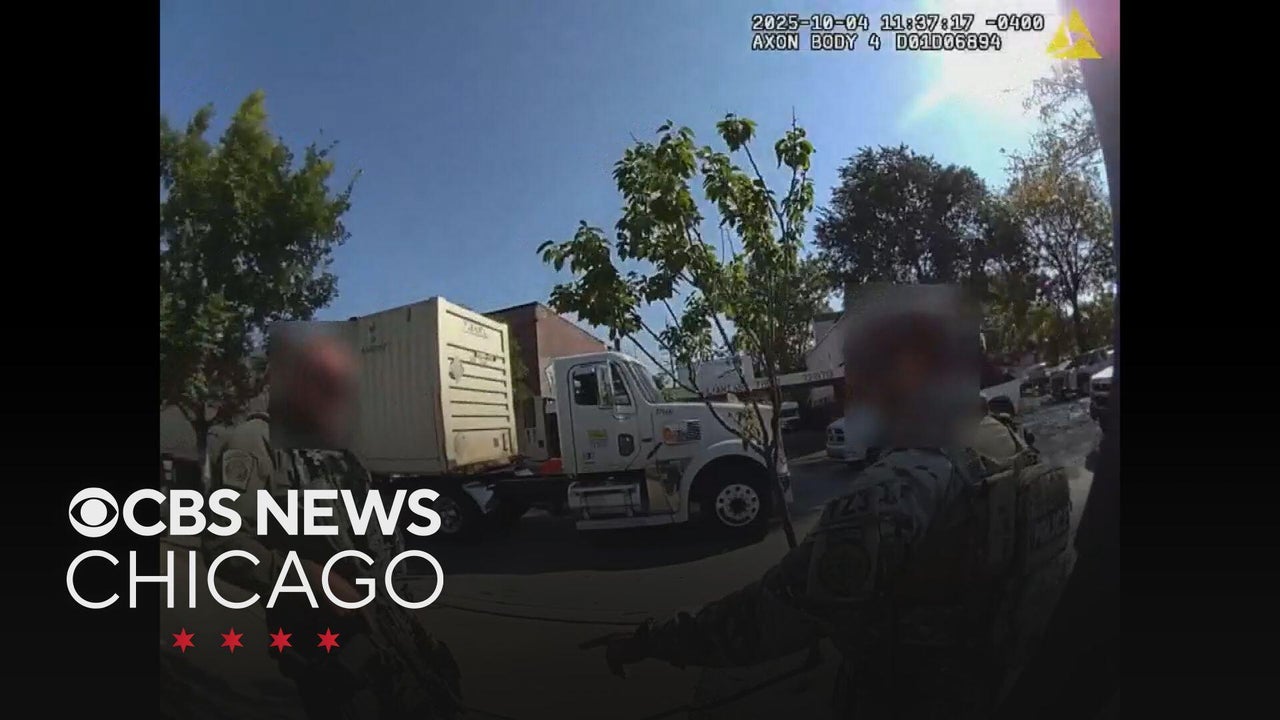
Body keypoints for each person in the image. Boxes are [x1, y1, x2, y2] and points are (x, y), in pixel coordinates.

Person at [585, 295, 1073, 719]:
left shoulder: (901, 482)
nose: (853, 385)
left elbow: (772, 614)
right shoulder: (1008, 442)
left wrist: (652, 642)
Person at [202, 327, 462, 720]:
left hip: (383, 621)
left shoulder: (335, 450)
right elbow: (224, 545)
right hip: (321, 637)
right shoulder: (254, 443)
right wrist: (310, 578)